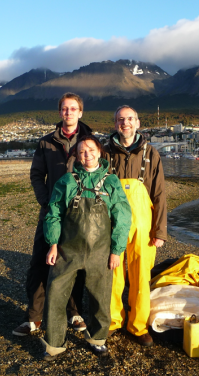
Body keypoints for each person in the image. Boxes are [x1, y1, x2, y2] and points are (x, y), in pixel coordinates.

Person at [41, 135, 131, 360]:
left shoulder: (111, 182)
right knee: (55, 293)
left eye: (91, 150)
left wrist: (116, 251)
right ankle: (54, 343)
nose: (87, 154)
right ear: (77, 156)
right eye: (81, 151)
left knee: (100, 297)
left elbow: (123, 218)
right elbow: (54, 214)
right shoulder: (66, 182)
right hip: (67, 250)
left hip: (101, 252)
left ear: (99, 152)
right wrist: (52, 245)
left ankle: (97, 338)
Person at [12, 93, 90, 336]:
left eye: (73, 108)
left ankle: (74, 312)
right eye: (64, 109)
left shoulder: (91, 142)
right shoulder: (46, 143)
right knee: (40, 263)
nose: (68, 112)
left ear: (80, 112)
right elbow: (37, 175)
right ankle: (34, 318)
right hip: (50, 213)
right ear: (60, 113)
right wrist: (46, 203)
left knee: (76, 264)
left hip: (80, 215)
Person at [105, 105, 167, 347]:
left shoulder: (152, 153)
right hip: (113, 221)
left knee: (142, 274)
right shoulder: (104, 153)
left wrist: (159, 231)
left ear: (138, 123)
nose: (125, 123)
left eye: (130, 119)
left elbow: (160, 194)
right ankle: (112, 321)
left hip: (145, 222)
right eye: (121, 119)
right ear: (115, 124)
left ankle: (138, 325)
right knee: (113, 271)